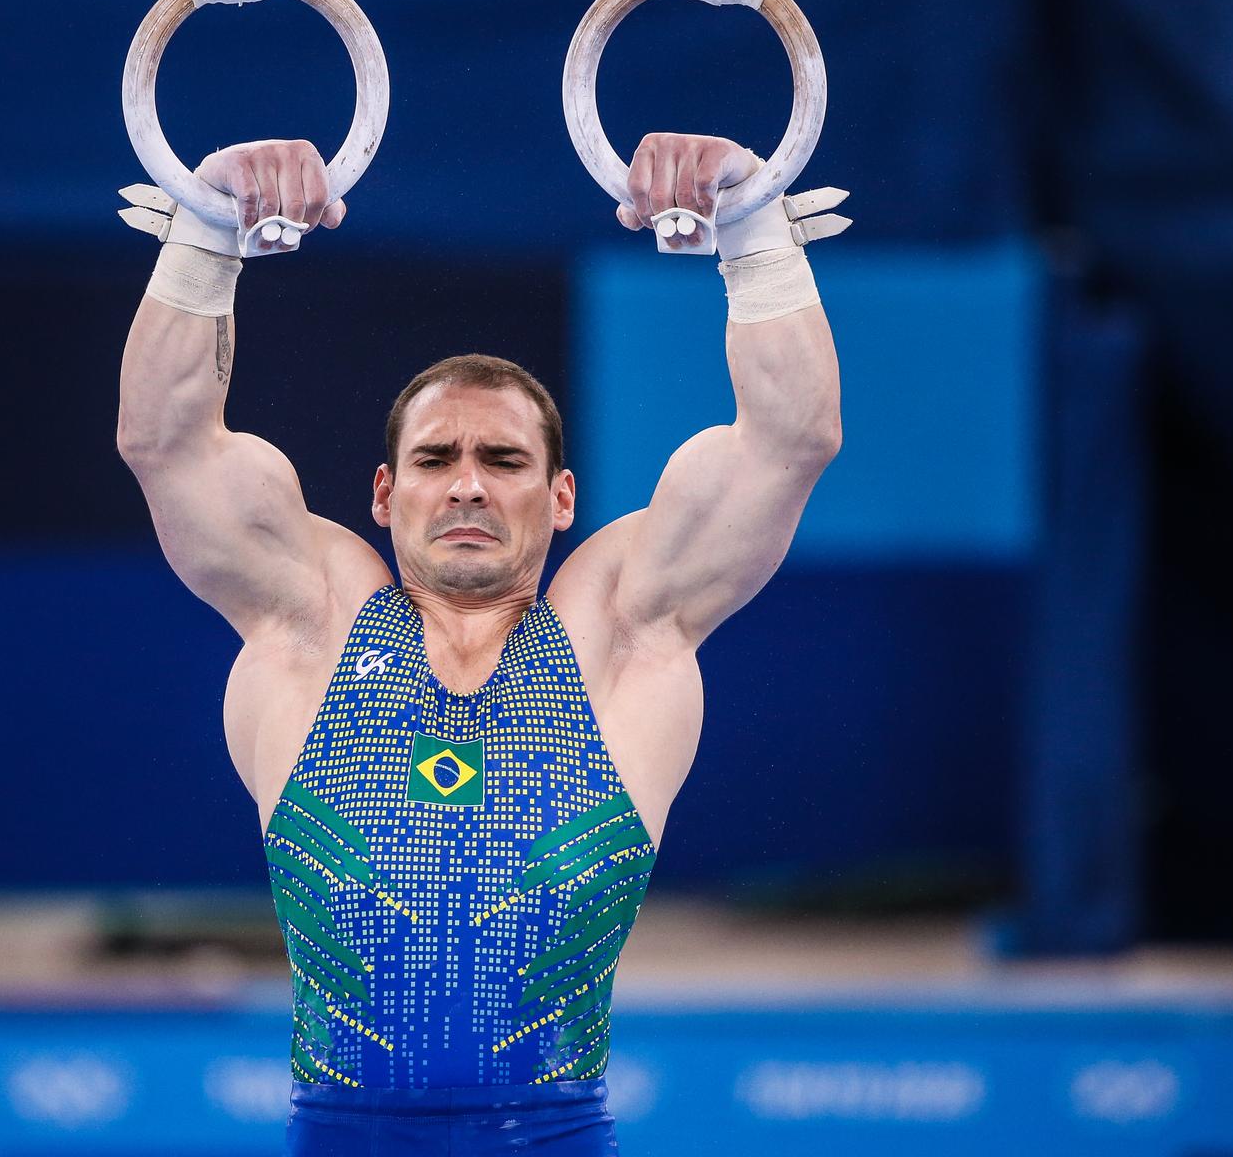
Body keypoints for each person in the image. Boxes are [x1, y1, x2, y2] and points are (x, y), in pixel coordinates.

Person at [115, 134, 842, 1154]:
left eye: (503, 459)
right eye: (435, 458)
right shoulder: (311, 625)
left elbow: (792, 439)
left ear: (560, 498)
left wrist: (753, 222)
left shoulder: (619, 633)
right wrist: (205, 228)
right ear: (384, 493)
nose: (466, 483)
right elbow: (163, 443)